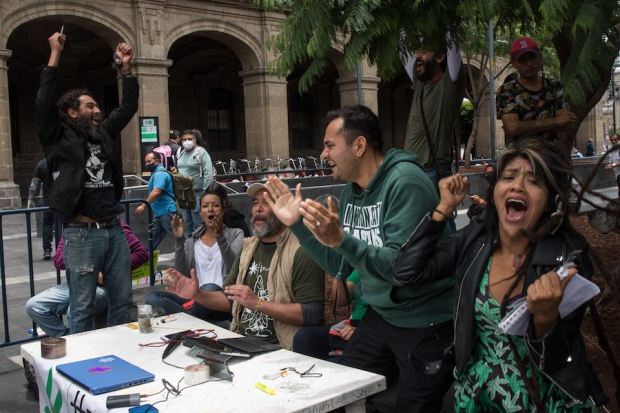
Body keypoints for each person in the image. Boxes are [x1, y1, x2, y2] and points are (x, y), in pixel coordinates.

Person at [391, 137, 608, 411]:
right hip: (476, 394)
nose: (517, 185)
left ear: (551, 200)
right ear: (495, 192)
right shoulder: (476, 239)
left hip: (542, 399)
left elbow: (556, 360)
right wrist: (443, 209)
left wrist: (544, 320)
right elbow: (406, 272)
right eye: (509, 177)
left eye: (533, 181)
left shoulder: (567, 257)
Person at [265, 105, 454, 412]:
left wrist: (342, 240)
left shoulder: (405, 182)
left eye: (329, 145)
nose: (323, 155)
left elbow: (400, 269)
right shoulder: (352, 192)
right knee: (337, 397)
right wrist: (296, 225)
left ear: (359, 145)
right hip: (380, 316)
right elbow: (340, 267)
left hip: (425, 320)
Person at [36, 31, 139, 333]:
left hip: (114, 231)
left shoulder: (104, 132)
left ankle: (121, 355)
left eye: (97, 106)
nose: (97, 110)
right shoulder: (57, 137)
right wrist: (55, 52)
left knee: (123, 300)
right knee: (82, 304)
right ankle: (84, 368)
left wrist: (126, 70)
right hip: (81, 234)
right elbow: (43, 103)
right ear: (72, 112)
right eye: (89, 106)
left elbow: (129, 107)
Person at [163, 182, 326, 350]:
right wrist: (197, 294)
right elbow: (229, 299)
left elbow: (312, 313)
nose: (258, 209)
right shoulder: (248, 248)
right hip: (240, 341)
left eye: (266, 203)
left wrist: (258, 304)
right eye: (255, 203)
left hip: (278, 347)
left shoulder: (301, 251)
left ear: (284, 210)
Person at [25, 222, 149, 337]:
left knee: (75, 311)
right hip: (79, 282)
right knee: (34, 305)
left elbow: (142, 253)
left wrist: (107, 272)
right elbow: (58, 260)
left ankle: (93, 340)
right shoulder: (73, 228)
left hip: (104, 287)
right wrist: (83, 256)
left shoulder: (115, 228)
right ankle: (68, 338)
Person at [146, 190, 243, 324]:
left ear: (222, 210)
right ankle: (205, 323)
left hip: (220, 297)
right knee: (153, 297)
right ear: (200, 213)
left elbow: (234, 267)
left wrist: (220, 236)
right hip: (194, 299)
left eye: (215, 205)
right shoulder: (192, 240)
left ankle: (190, 322)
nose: (210, 209)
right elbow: (183, 274)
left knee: (210, 287)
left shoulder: (236, 234)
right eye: (205, 206)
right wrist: (179, 240)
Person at [404, 40, 466, 186]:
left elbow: (452, 42)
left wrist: (439, 22)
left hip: (432, 172)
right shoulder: (420, 84)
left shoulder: (450, 85)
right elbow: (402, 41)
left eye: (424, 51)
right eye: (417, 50)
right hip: (409, 170)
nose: (418, 55)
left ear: (440, 57)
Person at [497, 36, 578, 144]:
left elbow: (565, 123)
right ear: (513, 63)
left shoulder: (554, 86)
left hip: (550, 155)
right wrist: (555, 122)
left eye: (532, 57)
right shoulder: (507, 90)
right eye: (522, 60)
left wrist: (522, 127)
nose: (529, 64)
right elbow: (513, 128)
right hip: (520, 157)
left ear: (540, 57)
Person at [293, 269, 367, 359]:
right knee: (304, 337)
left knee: (332, 365)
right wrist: (339, 270)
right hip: (351, 328)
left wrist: (362, 332)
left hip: (372, 334)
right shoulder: (363, 267)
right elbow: (341, 300)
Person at [135, 152, 178, 248]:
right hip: (160, 212)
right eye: (145, 162)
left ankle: (189, 259)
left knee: (178, 238)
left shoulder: (160, 174)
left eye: (149, 161)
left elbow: (156, 191)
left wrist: (143, 205)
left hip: (166, 212)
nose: (147, 164)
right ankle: (144, 258)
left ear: (157, 161)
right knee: (153, 240)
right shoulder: (156, 173)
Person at [176, 129, 213, 236]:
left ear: (195, 140)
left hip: (197, 194)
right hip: (183, 195)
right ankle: (190, 247)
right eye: (184, 139)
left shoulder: (201, 152)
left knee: (199, 222)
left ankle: (202, 246)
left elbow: (208, 173)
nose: (187, 141)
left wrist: (206, 193)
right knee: (187, 223)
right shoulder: (181, 153)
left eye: (190, 139)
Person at [27, 158, 54, 260]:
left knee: (47, 223)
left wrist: (30, 198)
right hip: (61, 198)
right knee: (61, 223)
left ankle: (47, 249)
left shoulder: (42, 164)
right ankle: (63, 249)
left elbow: (34, 183)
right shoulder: (61, 161)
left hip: (48, 199)